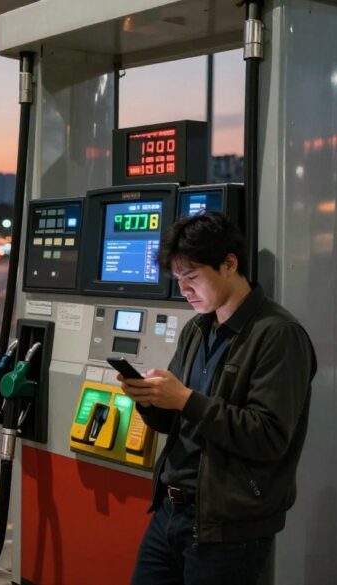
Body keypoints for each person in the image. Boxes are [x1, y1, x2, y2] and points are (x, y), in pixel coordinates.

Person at [117, 212, 316, 585]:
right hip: (169, 511)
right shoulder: (197, 329)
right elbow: (175, 419)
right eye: (179, 280)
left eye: (192, 277)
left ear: (229, 264)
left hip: (229, 527)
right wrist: (148, 399)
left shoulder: (278, 335)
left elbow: (268, 435)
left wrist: (185, 399)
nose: (185, 291)